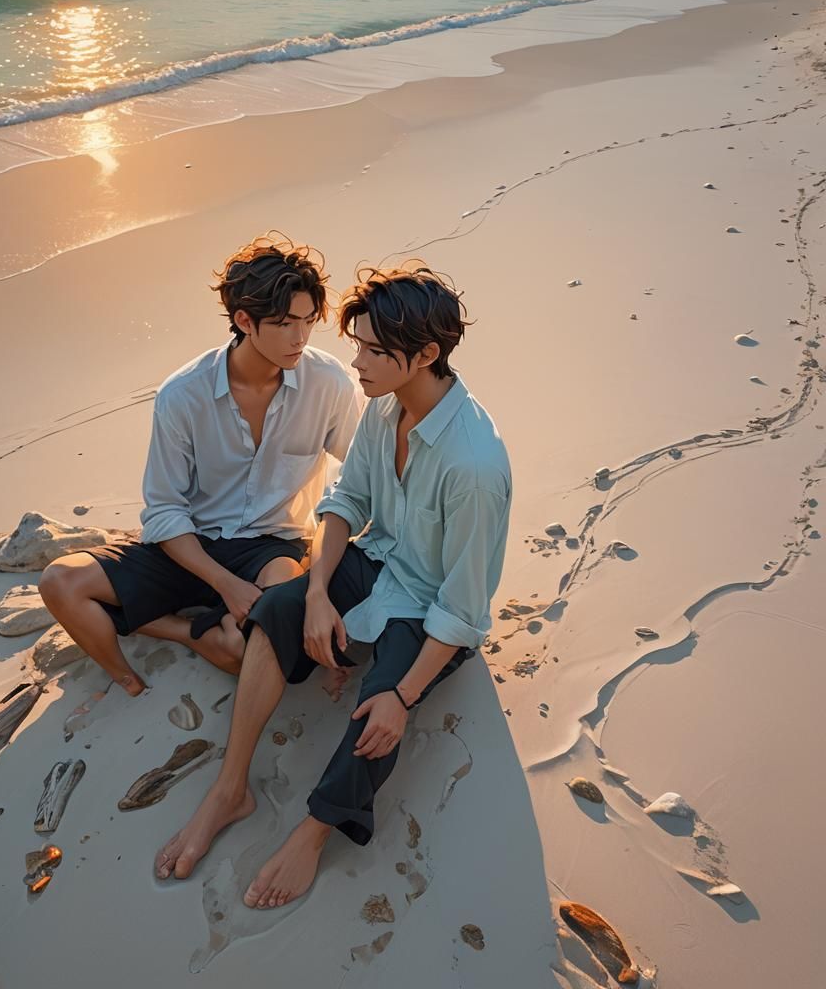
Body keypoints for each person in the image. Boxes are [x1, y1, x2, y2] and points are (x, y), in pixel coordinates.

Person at [154, 262, 512, 908]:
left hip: (430, 607)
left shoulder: (473, 466)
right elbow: (347, 500)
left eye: (374, 351)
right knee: (276, 608)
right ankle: (230, 788)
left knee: (377, 716)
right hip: (377, 559)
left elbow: (462, 613)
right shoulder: (385, 406)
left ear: (426, 354)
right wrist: (316, 594)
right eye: (359, 345)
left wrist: (403, 696)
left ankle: (314, 833)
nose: (358, 363)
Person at [39, 234, 361, 695]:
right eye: (286, 323)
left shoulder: (328, 383)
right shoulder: (182, 394)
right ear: (244, 320)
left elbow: (363, 470)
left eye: (309, 321)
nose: (301, 337)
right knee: (60, 582)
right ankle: (178, 639)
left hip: (274, 547)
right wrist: (224, 584)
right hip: (191, 547)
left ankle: (179, 623)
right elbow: (165, 509)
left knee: (257, 649)